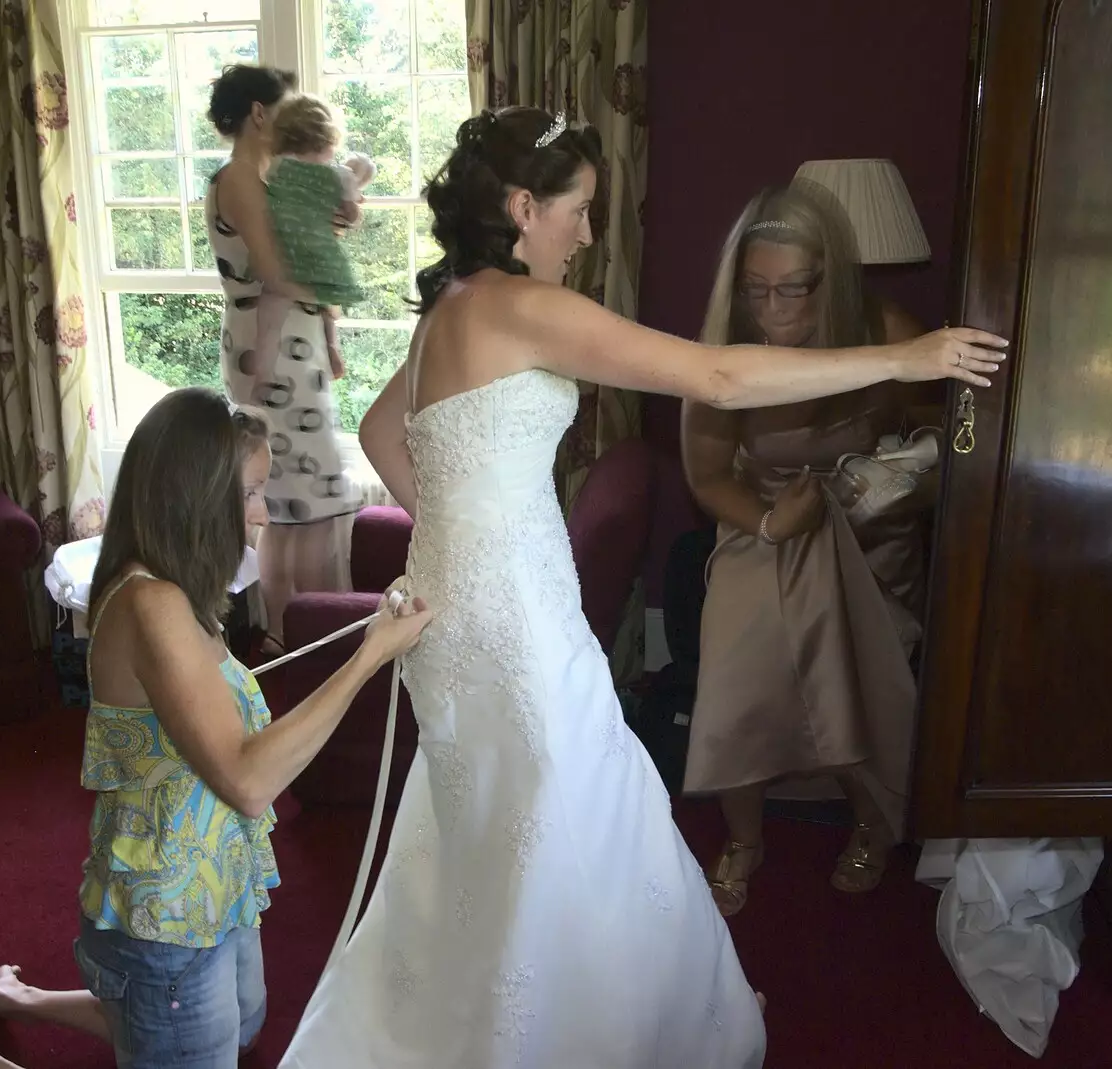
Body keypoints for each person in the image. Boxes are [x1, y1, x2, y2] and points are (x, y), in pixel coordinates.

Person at [278, 107, 1004, 1067]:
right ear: (521, 206)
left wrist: (462, 534)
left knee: (496, 828)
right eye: (576, 211)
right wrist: (907, 357)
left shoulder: (452, 305)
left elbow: (381, 436)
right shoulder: (522, 306)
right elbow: (715, 373)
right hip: (518, 627)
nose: (587, 233)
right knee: (568, 820)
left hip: (454, 618)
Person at [0, 387, 430, 1068]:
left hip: (210, 888)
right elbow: (249, 780)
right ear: (197, 496)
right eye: (250, 493)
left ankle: (28, 999)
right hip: (167, 920)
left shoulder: (177, 590)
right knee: (183, 1030)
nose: (262, 514)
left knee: (236, 1027)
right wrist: (371, 654)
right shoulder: (153, 602)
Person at [680, 181, 940, 913]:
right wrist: (767, 525)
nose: (773, 310)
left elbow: (944, 437)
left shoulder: (885, 329)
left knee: (846, 674)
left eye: (792, 289)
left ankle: (870, 815)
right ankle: (744, 836)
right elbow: (706, 476)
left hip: (867, 537)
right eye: (756, 291)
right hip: (762, 524)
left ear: (832, 279)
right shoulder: (723, 354)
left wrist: (902, 479)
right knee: (737, 665)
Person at [204, 64, 361, 657]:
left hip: (292, 352)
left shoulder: (269, 181)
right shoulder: (239, 179)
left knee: (293, 502)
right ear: (259, 113)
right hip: (273, 358)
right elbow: (277, 274)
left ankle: (294, 634)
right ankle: (316, 635)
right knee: (305, 499)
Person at [261, 92, 376, 377]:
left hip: (284, 249)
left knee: (271, 307)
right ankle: (332, 348)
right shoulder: (338, 176)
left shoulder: (274, 169)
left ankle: (262, 363)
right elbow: (350, 216)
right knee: (327, 304)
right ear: (326, 140)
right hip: (319, 253)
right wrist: (354, 207)